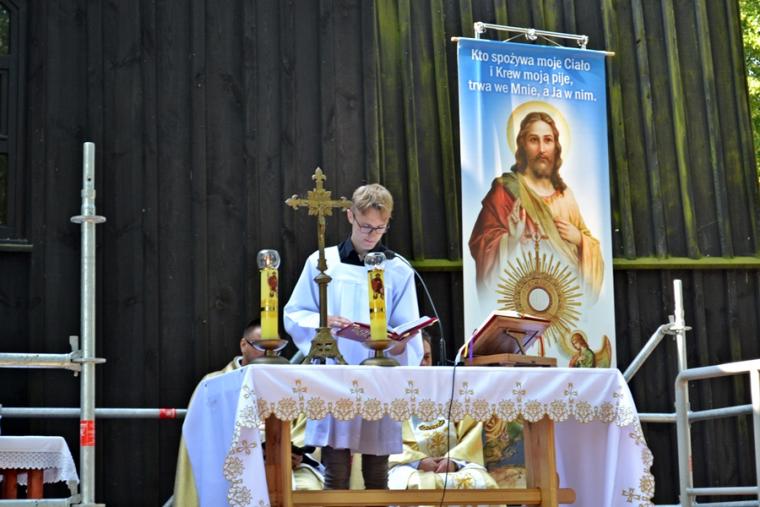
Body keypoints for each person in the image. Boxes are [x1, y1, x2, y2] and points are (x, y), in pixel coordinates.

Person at [284, 183, 423, 490]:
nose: (372, 235)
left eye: (379, 228)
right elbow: (295, 312)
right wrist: (323, 322)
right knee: (335, 467)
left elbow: (407, 324)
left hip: (379, 375)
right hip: (337, 372)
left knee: (377, 470)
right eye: (365, 226)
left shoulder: (398, 269)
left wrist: (400, 343)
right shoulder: (323, 262)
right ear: (350, 216)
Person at [172, 320, 323, 506]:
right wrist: (256, 453)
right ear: (243, 345)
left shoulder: (291, 385)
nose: (269, 354)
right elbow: (203, 435)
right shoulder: (214, 385)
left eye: (276, 348)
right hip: (230, 465)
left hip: (286, 466)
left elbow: (304, 429)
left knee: (308, 488)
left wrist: (294, 453)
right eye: (261, 346)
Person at [468, 111, 604, 303]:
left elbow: (592, 248)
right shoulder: (505, 191)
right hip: (521, 299)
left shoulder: (565, 195)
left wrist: (580, 240)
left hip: (563, 301)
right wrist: (511, 240)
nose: (542, 149)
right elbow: (481, 244)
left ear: (555, 146)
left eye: (547, 140)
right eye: (534, 140)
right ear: (522, 145)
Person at [388, 333, 498, 492]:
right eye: (417, 357)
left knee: (483, 484)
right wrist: (418, 461)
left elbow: (470, 432)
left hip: (455, 463)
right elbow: (385, 440)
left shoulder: (452, 387)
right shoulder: (390, 393)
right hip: (407, 466)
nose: (423, 363)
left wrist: (453, 460)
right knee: (415, 485)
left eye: (427, 357)